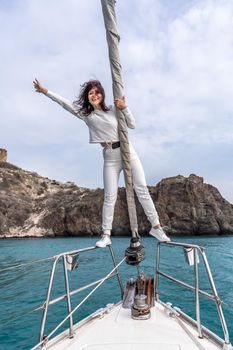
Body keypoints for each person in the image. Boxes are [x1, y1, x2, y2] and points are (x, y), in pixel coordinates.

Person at [33, 78, 170, 247]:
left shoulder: (114, 109)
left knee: (142, 189)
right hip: (110, 157)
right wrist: (46, 91)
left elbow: (132, 125)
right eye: (91, 93)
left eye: (97, 92)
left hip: (128, 151)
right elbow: (64, 103)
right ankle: (106, 235)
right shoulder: (85, 114)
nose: (94, 95)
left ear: (102, 94)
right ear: (87, 97)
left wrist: (125, 108)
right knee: (109, 196)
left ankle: (156, 228)